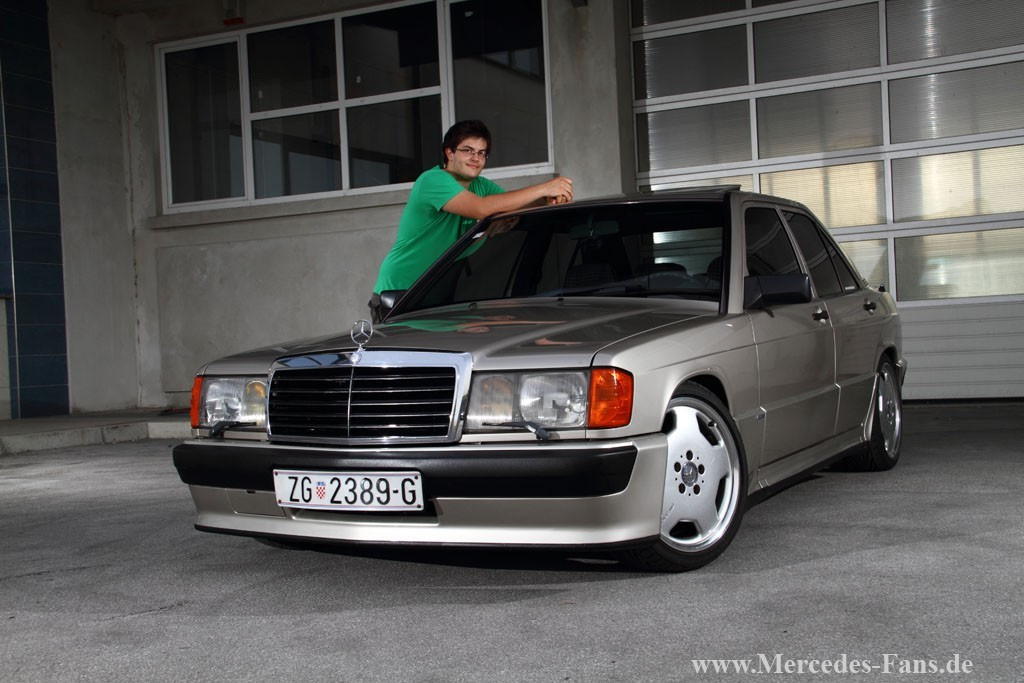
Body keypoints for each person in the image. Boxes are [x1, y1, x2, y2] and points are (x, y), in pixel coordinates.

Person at [369, 120, 574, 322]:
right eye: (468, 150)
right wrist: (545, 188)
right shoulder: (433, 180)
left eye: (481, 153)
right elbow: (481, 208)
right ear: (450, 153)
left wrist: (547, 200)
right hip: (401, 292)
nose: (476, 158)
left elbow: (512, 205)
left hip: (437, 292)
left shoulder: (481, 186)